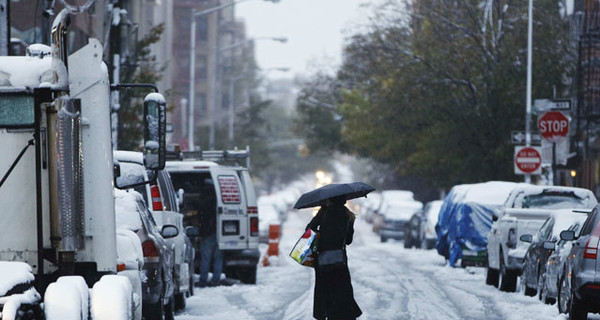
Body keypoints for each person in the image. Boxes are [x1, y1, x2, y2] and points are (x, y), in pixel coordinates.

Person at [306, 195, 362, 320]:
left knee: (324, 291)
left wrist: (322, 233)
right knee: (342, 292)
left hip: (323, 260)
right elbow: (348, 240)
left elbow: (309, 229)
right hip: (340, 261)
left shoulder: (324, 212)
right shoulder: (349, 215)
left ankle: (325, 314)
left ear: (330, 200)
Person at [198, 181, 223, 288]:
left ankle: (203, 280)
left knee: (206, 259)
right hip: (221, 233)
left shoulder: (203, 202)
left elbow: (201, 219)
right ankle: (215, 280)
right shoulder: (218, 200)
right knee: (218, 258)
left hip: (208, 234)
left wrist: (201, 233)